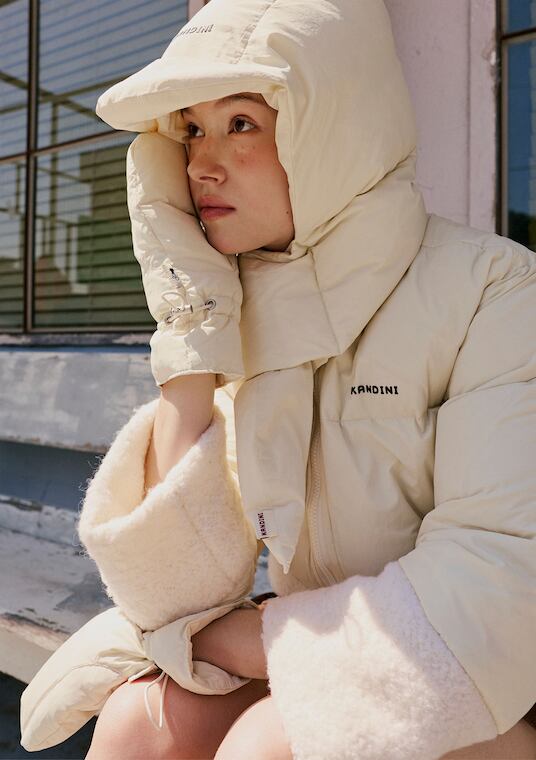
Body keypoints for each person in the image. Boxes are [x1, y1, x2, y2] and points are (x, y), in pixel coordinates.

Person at [42, 0, 536, 758]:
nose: (201, 164)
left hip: (492, 692)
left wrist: (249, 638)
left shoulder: (494, 291)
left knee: (269, 745)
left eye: (240, 123)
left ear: (334, 131)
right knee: (143, 722)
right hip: (319, 653)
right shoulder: (246, 309)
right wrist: (190, 329)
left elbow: (495, 593)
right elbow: (173, 599)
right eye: (191, 130)